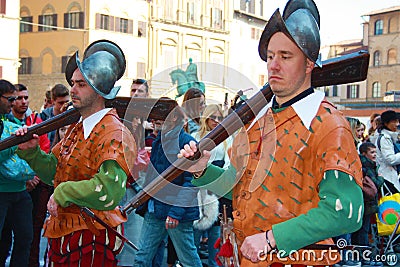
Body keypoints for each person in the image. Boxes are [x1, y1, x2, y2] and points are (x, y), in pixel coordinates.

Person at [179, 0, 363, 266]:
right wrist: (202, 170)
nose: (273, 66)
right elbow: (239, 187)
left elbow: (346, 212)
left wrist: (272, 238)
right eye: (270, 56)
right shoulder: (258, 121)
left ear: (309, 64)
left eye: (285, 57)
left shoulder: (329, 126)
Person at [15, 40, 137, 267]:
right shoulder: (76, 128)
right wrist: (32, 153)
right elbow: (56, 171)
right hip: (65, 234)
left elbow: (108, 191)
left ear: (100, 89)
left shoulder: (115, 133)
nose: (72, 90)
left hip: (92, 235)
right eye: (73, 83)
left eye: (81, 84)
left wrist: (62, 192)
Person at [133, 101, 202, 267]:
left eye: (159, 123)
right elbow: (153, 176)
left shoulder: (187, 142)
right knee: (142, 257)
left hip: (175, 211)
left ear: (173, 119)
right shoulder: (160, 140)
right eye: (155, 123)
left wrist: (175, 213)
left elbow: (191, 182)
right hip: (156, 208)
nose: (155, 128)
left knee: (188, 259)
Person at [8, 83, 51, 267]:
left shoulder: (36, 121)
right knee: (5, 236)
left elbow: (44, 148)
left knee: (29, 234)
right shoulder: (6, 123)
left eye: (26, 97)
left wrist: (34, 176)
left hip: (35, 184)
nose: (23, 101)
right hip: (10, 186)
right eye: (18, 98)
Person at [191, 104, 233, 267]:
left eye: (219, 117)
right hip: (197, 191)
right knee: (193, 237)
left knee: (216, 238)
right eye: (213, 117)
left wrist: (218, 180)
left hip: (218, 191)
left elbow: (229, 164)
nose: (216, 121)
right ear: (205, 118)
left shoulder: (227, 138)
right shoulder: (195, 136)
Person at [0, 79, 35, 267]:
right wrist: (15, 145)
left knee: (25, 238)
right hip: (1, 192)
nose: (14, 103)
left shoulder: (12, 122)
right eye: (10, 98)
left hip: (20, 191)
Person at [352, 142, 384, 267]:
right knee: (363, 231)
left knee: (360, 230)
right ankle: (364, 256)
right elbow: (375, 184)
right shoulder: (367, 167)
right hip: (367, 203)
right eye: (372, 152)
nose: (375, 155)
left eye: (375, 152)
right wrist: (381, 178)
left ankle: (359, 256)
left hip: (363, 202)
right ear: (364, 153)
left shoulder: (363, 165)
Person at [375, 110, 400, 194]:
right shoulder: (384, 138)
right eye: (394, 122)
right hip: (387, 178)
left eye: (397, 121)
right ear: (386, 123)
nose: (397, 124)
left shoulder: (389, 137)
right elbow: (390, 159)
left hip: (390, 176)